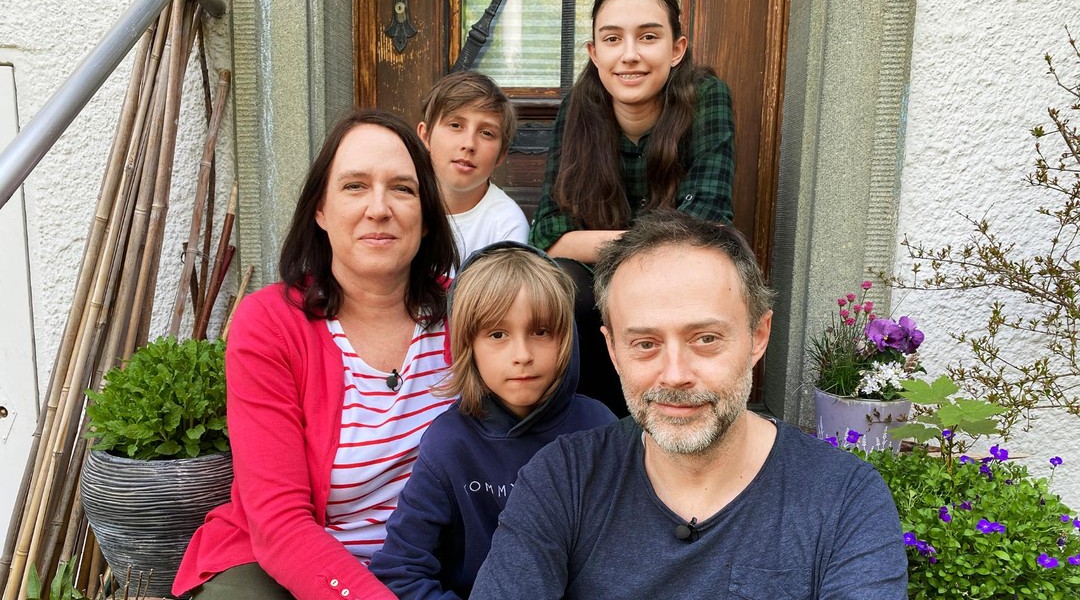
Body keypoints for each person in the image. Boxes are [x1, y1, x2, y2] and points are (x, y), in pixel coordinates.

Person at [471, 211, 908, 599]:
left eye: (705, 339)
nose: (675, 374)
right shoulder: (562, 481)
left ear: (758, 336)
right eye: (645, 343)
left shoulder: (844, 500)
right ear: (613, 351)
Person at [173, 110, 459, 600]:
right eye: (354, 186)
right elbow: (279, 521)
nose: (379, 208)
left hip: (425, 566)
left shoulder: (466, 312)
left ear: (427, 215)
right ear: (320, 211)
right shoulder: (270, 325)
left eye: (402, 189)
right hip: (291, 566)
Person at [528, 0, 736, 417]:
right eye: (612, 39)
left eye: (648, 37)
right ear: (594, 52)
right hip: (596, 291)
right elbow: (549, 235)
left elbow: (706, 223)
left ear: (676, 49)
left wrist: (600, 243)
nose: (629, 55)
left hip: (683, 278)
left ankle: (672, 418)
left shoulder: (706, 98)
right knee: (564, 285)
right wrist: (654, 239)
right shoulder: (578, 108)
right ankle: (592, 425)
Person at [368, 241, 615, 599]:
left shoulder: (601, 430)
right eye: (498, 334)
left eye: (540, 331)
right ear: (468, 346)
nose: (522, 355)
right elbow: (400, 570)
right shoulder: (448, 443)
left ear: (567, 337)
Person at [418, 71, 529, 265]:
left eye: (486, 133)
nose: (469, 144)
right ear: (426, 136)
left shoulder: (507, 226)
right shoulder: (401, 202)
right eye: (455, 125)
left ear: (501, 155)